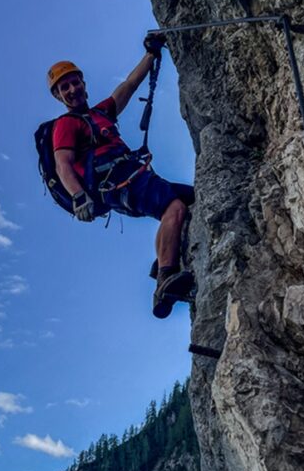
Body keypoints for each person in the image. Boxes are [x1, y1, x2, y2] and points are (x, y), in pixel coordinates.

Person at [48, 35, 195, 318]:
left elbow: (128, 86)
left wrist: (151, 54)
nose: (71, 89)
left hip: (130, 176)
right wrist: (79, 197)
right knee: (173, 206)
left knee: (190, 198)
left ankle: (164, 257)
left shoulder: (101, 112)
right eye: (63, 88)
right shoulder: (66, 125)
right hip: (118, 183)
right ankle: (165, 278)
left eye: (74, 82)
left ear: (83, 83)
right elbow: (62, 164)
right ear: (58, 96)